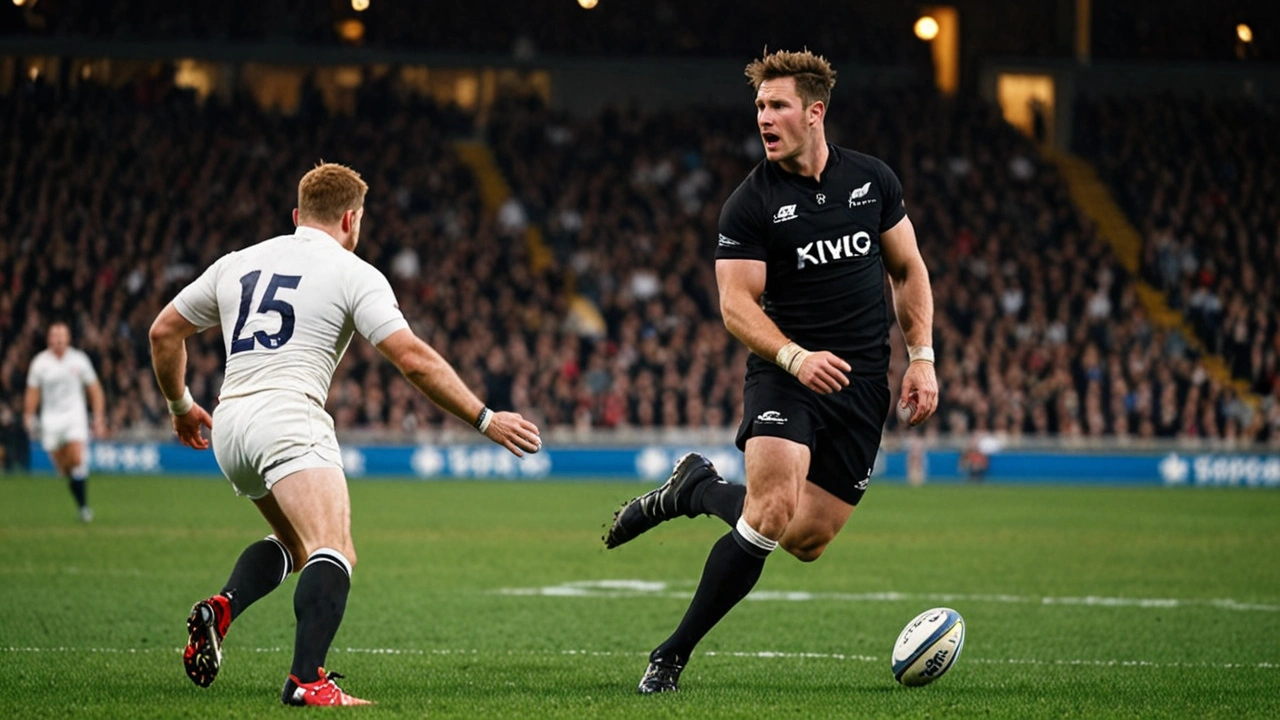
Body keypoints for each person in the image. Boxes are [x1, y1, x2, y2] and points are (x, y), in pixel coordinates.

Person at [603, 49, 939, 693]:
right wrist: (793, 356)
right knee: (771, 508)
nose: (764, 116)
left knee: (806, 539)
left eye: (777, 104)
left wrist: (920, 358)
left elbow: (908, 269)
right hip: (786, 374)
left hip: (864, 384)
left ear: (815, 113)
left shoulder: (873, 180)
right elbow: (735, 305)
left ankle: (695, 490)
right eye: (759, 105)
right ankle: (671, 654)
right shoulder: (750, 204)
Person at [149, 162, 542, 706]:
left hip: (229, 423)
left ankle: (223, 607)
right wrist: (484, 417)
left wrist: (180, 405)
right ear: (351, 219)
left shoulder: (237, 263)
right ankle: (306, 680)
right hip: (288, 418)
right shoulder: (352, 271)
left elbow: (163, 330)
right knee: (334, 549)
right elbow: (412, 359)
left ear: (296, 216)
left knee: (295, 543)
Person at [23, 321, 107, 522]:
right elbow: (32, 393)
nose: (59, 339)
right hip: (50, 421)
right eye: (55, 335)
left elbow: (94, 389)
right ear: (49, 339)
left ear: (68, 338)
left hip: (74, 417)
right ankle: (79, 496)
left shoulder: (79, 360)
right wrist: (28, 415)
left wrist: (98, 417)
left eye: (62, 335)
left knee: (78, 460)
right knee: (64, 469)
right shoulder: (40, 363)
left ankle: (84, 509)